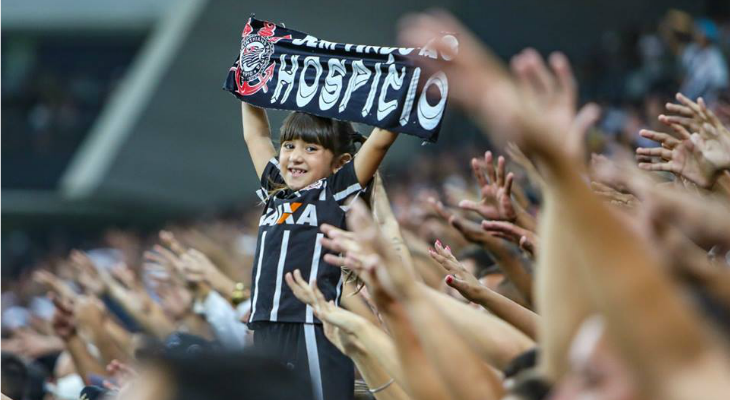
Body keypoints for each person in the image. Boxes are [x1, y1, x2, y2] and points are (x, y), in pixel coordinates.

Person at [239, 103, 398, 400]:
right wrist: (248, 89)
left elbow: (381, 140)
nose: (295, 157)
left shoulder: (335, 191)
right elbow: (257, 135)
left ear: (340, 162)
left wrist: (405, 94)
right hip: (265, 326)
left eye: (311, 149)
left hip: (313, 324)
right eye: (289, 146)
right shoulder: (277, 189)